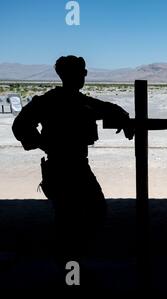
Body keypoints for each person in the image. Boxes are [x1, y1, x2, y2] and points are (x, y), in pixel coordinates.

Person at [12, 55, 134, 271]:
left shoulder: (79, 101)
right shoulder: (52, 101)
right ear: (67, 75)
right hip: (61, 167)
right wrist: (44, 144)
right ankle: (69, 267)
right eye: (81, 72)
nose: (83, 76)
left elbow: (110, 108)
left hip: (76, 165)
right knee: (72, 216)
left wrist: (123, 119)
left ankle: (71, 262)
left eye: (83, 72)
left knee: (86, 212)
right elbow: (19, 126)